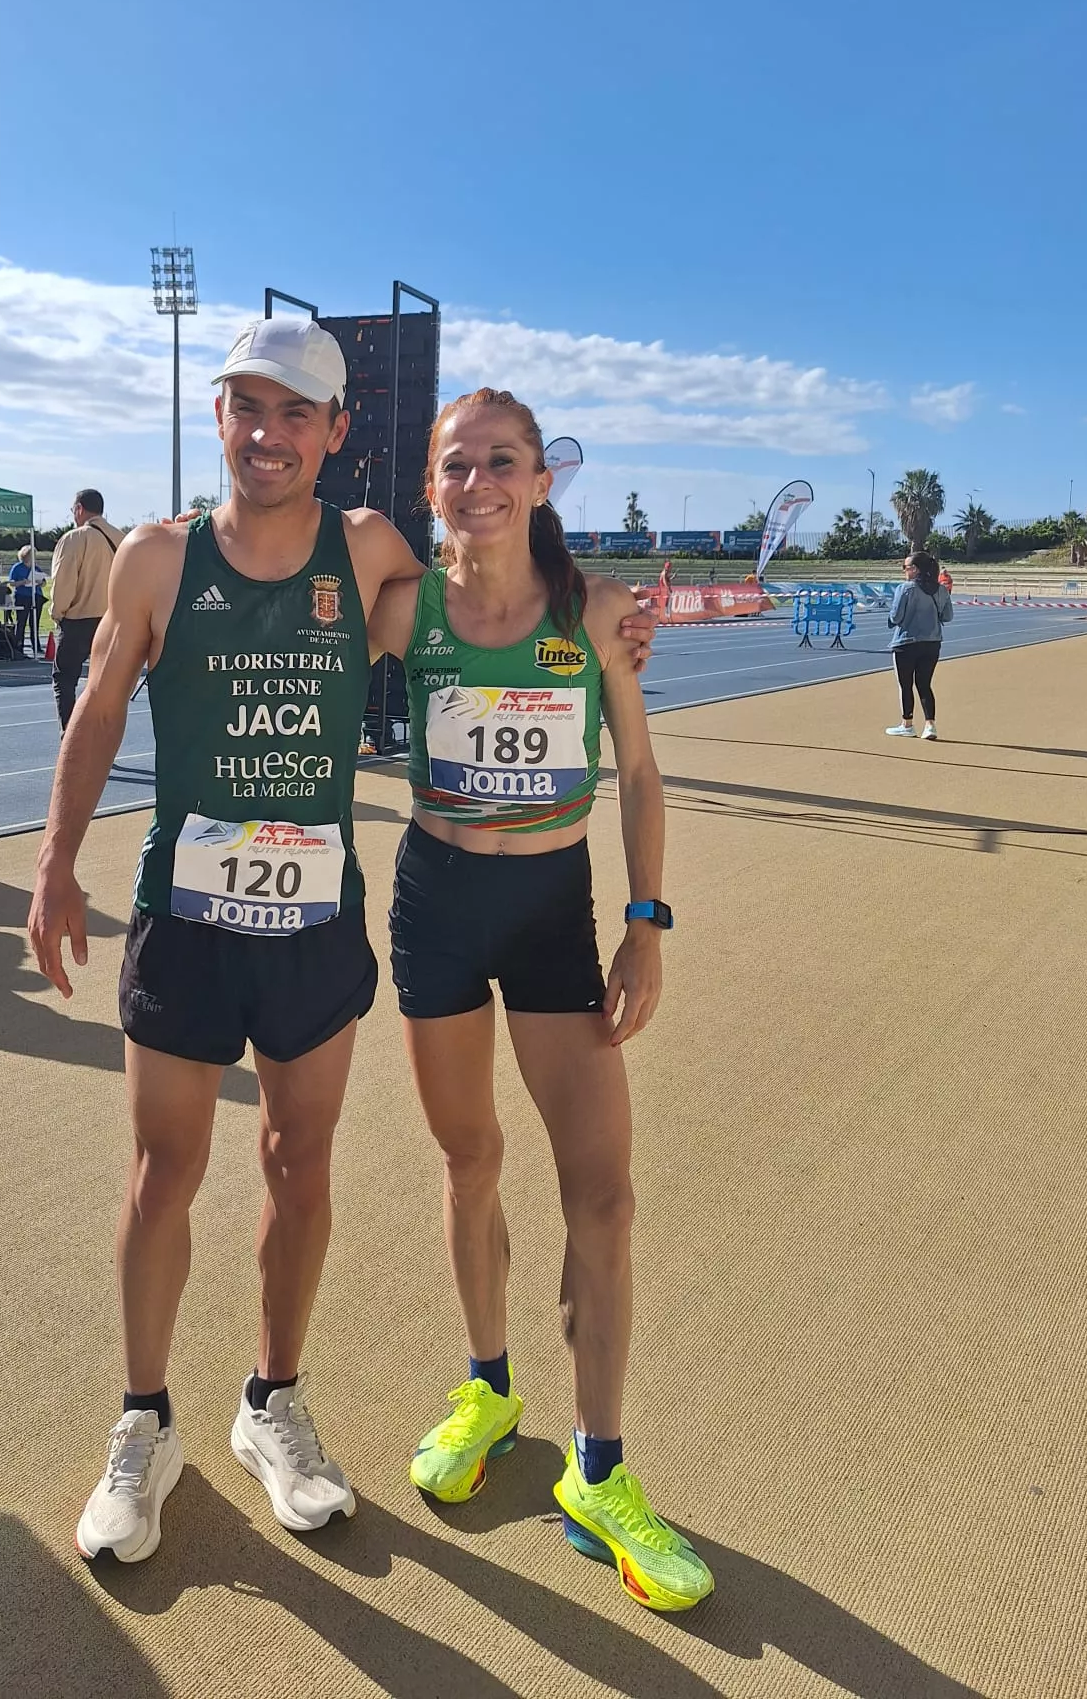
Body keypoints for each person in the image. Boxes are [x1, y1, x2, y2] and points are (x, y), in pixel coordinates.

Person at [26, 320, 656, 1566]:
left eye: (292, 414)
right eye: (244, 410)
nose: (265, 435)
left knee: (298, 1167)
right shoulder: (154, 560)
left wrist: (613, 628)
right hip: (189, 919)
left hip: (314, 925)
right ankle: (144, 1424)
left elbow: (505, 607)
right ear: (219, 419)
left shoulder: (370, 553)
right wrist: (52, 865)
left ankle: (274, 1405)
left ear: (334, 435)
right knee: (164, 1175)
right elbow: (97, 715)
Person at [368, 387, 712, 1614]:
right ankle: (488, 1384)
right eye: (457, 466)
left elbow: (638, 773)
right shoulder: (403, 608)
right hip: (435, 906)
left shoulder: (596, 615)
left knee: (604, 1198)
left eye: (502, 463)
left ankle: (600, 1468)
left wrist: (646, 923)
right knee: (468, 1162)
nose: (480, 485)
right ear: (430, 485)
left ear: (541, 481)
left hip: (555, 917)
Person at [47, 489, 124, 729]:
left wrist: (57, 613)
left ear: (79, 509)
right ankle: (103, 738)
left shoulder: (74, 538)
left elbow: (63, 584)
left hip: (79, 620)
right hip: (112, 622)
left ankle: (70, 737)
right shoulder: (122, 539)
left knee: (65, 680)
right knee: (106, 686)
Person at [886, 551, 953, 741]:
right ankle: (930, 725)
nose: (904, 571)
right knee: (924, 684)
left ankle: (907, 724)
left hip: (906, 642)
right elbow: (948, 616)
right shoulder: (941, 590)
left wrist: (893, 618)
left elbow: (896, 617)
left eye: (905, 567)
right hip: (932, 643)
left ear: (915, 570)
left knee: (905, 685)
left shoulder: (905, 589)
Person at [8, 545, 46, 654]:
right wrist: (22, 582)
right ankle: (19, 645)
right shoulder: (17, 567)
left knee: (35, 622)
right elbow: (11, 583)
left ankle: (36, 645)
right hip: (22, 596)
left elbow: (43, 582)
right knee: (21, 622)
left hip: (36, 596)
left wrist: (41, 582)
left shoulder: (36, 567)